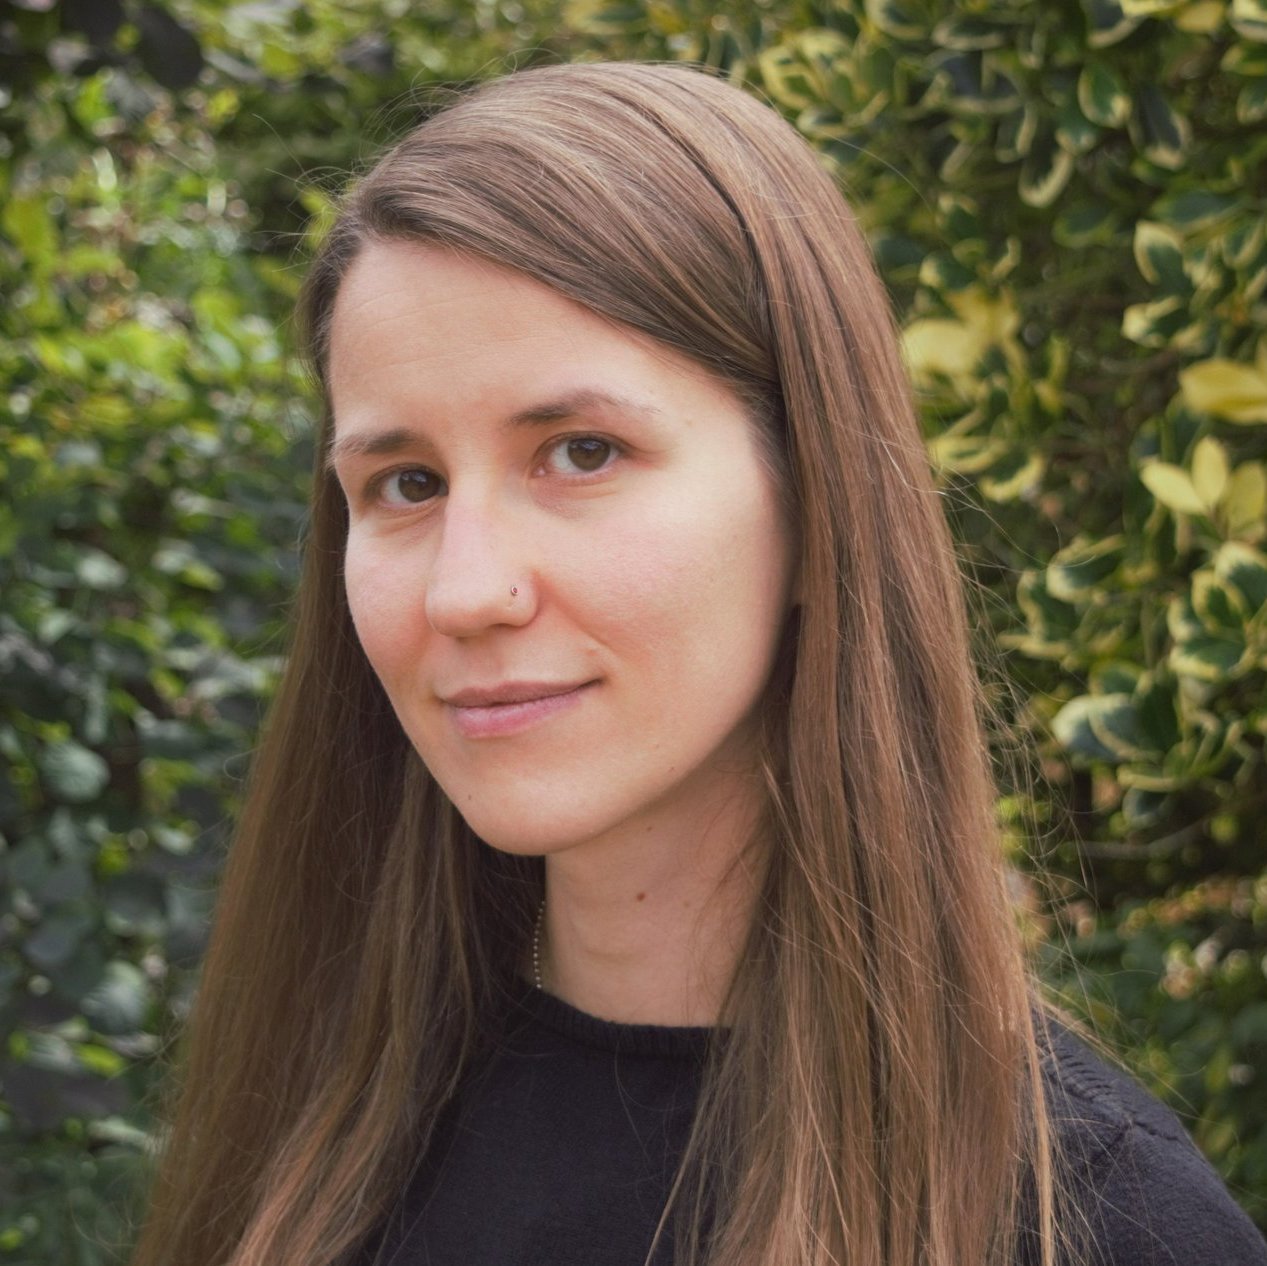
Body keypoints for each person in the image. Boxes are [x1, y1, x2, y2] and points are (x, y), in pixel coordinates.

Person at [128, 61, 1267, 1266]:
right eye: (406, 484)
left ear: (817, 502)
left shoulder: (1098, 1227)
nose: (463, 591)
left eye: (581, 453)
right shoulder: (316, 1146)